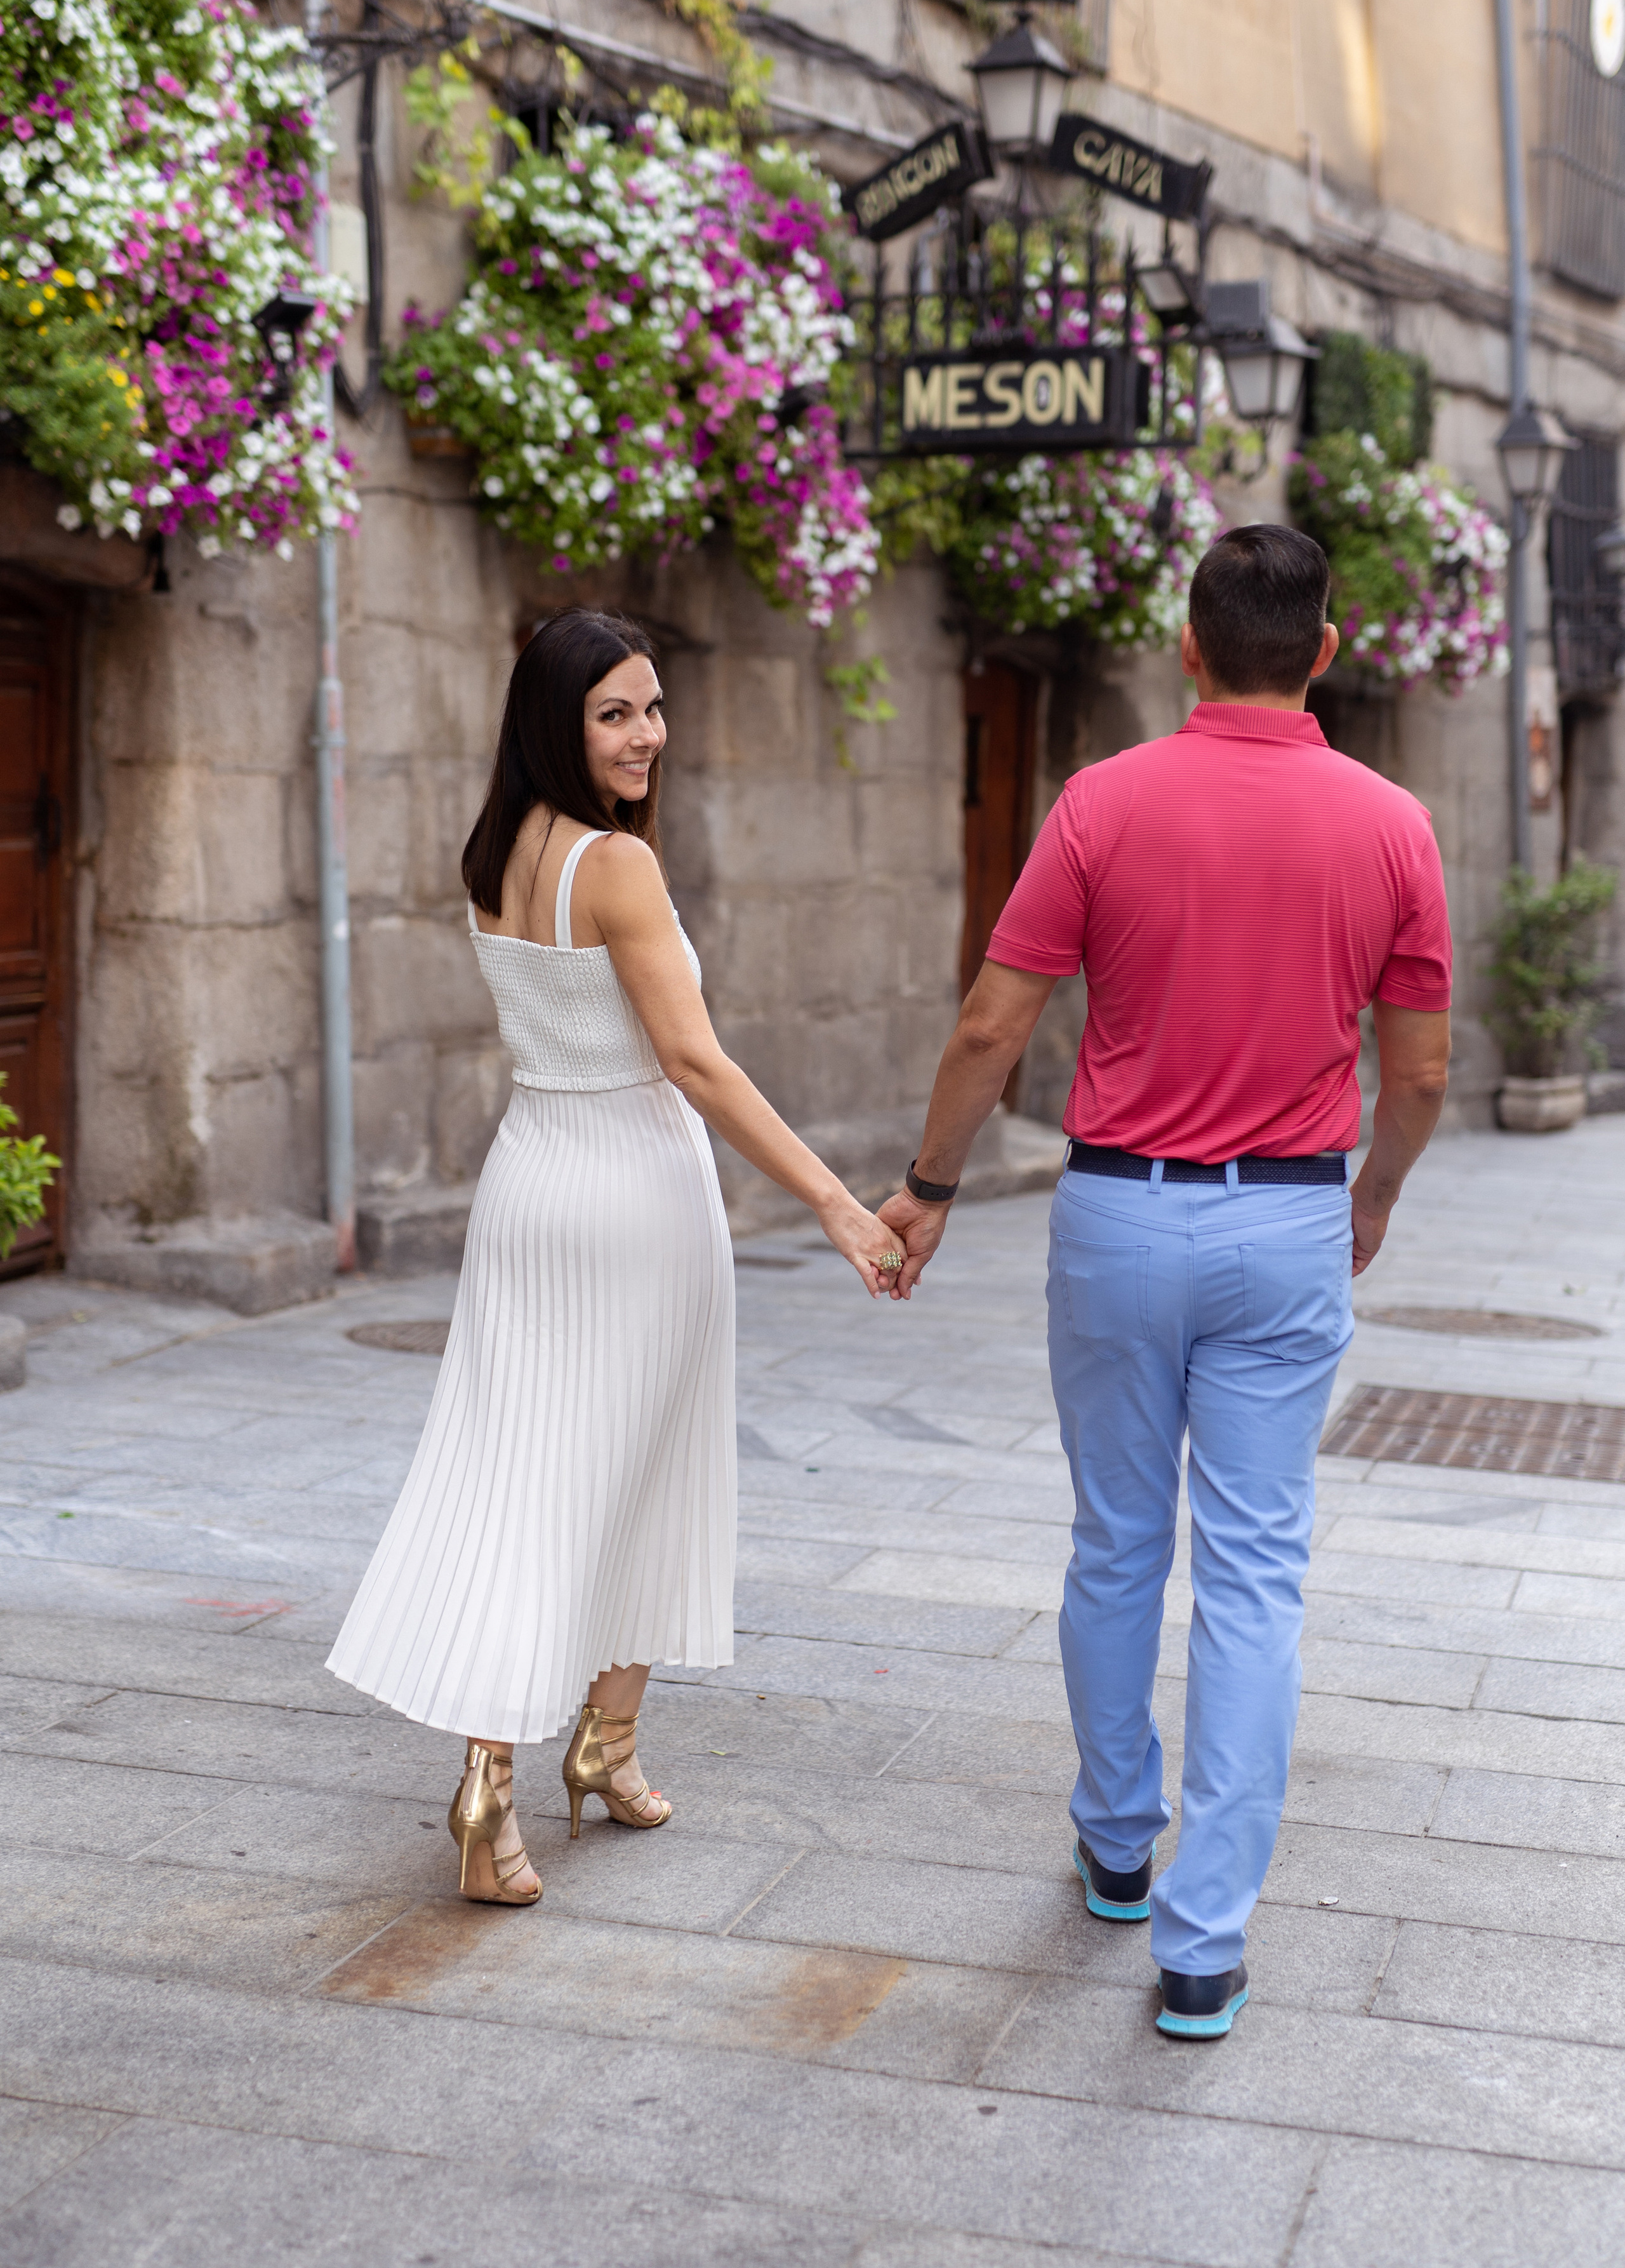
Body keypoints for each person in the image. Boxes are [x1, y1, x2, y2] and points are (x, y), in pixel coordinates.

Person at [877, 526, 1452, 2038]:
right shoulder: (1393, 825)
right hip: (1286, 1225)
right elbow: (1419, 1071)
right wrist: (1371, 1197)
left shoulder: (1099, 801)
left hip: (1117, 1220)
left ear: (1186, 646)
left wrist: (929, 1188)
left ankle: (1117, 1844)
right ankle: (1202, 1944)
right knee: (1253, 1576)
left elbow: (992, 1024)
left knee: (1116, 1543)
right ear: (1322, 652)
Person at [329, 608, 903, 1905]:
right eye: (614, 714)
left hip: (530, 1179)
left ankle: (574, 1757)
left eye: (651, 707)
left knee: (527, 1478)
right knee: (638, 1471)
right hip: (634, 1191)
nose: (647, 735)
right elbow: (693, 1061)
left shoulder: (495, 852)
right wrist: (831, 1202)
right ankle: (545, 1764)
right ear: (558, 722)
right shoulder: (617, 865)